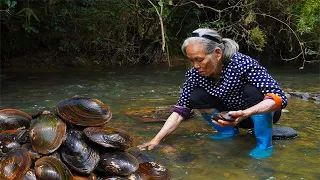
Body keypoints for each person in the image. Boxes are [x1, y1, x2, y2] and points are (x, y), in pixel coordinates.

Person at [137, 28, 287, 159]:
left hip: (254, 113)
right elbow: (180, 110)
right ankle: (228, 132)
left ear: (217, 53)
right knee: (195, 96)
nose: (196, 66)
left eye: (199, 60)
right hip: (227, 118)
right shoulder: (195, 75)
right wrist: (156, 140)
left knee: (253, 90)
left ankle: (264, 144)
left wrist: (246, 113)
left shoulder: (242, 63)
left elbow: (278, 98)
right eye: (191, 61)